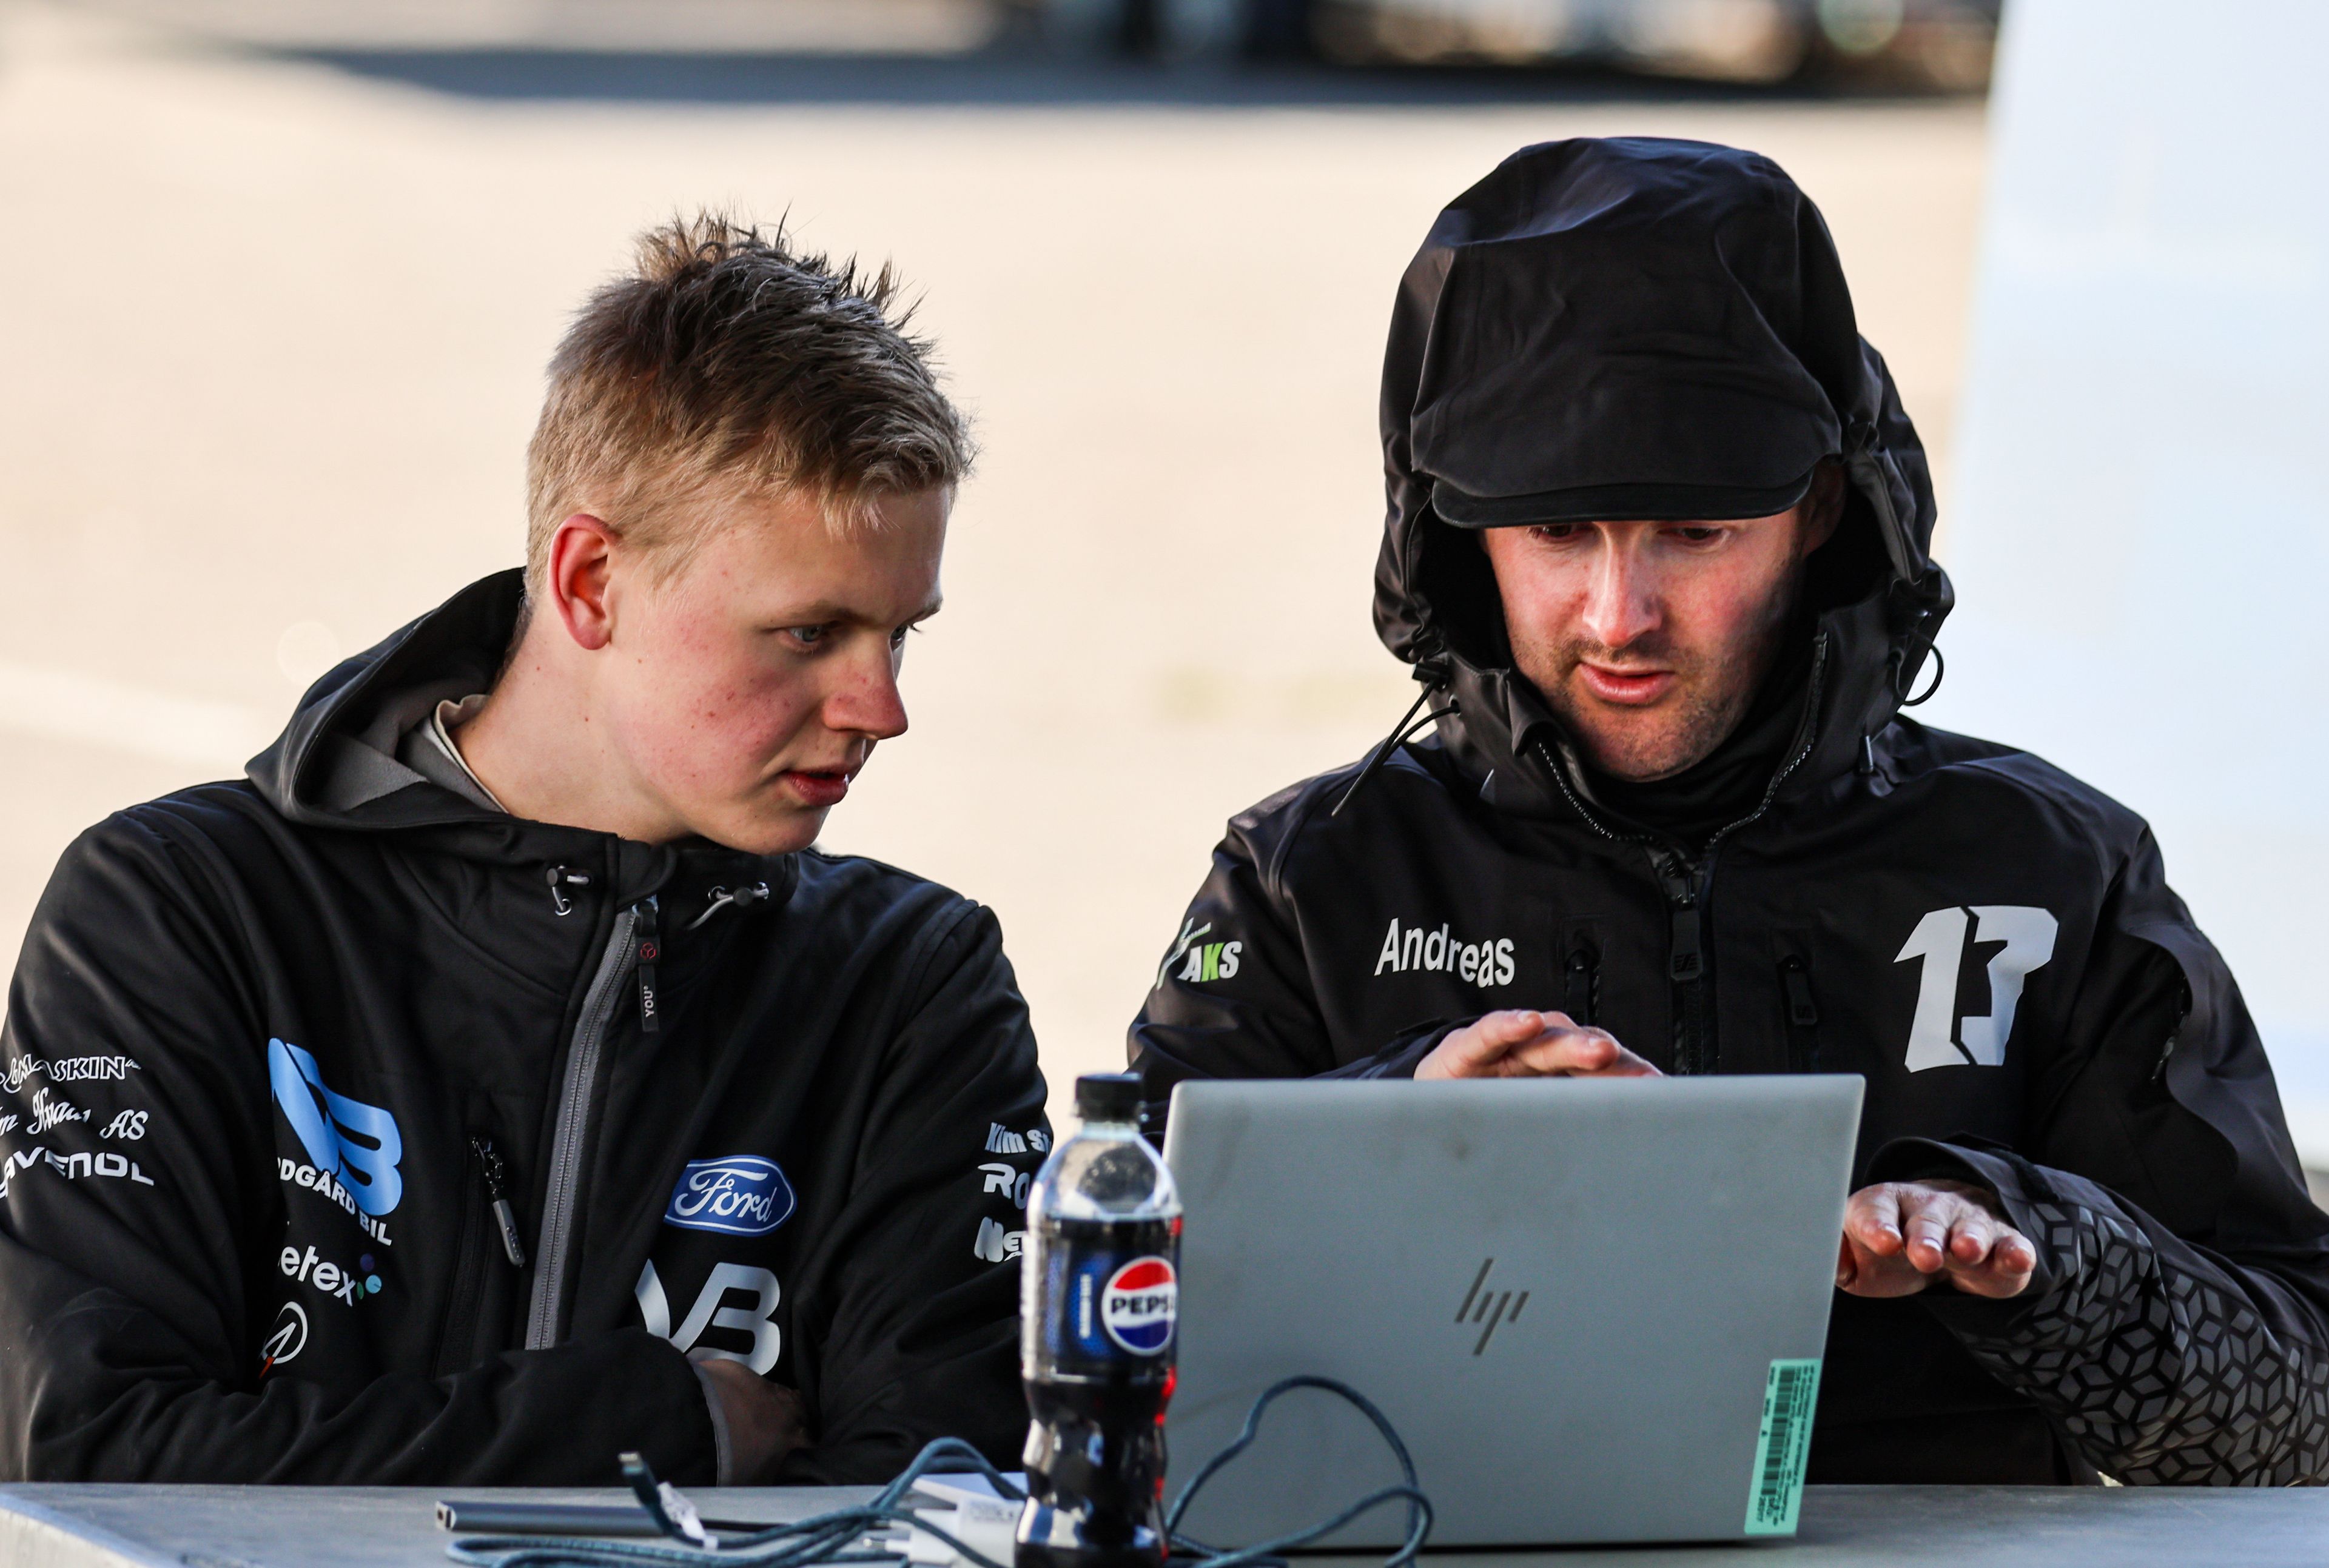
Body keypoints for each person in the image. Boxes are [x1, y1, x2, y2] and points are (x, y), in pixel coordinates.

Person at [1131, 138, 2329, 1486]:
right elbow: (1093, 1353)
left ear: (1821, 508)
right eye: (1556, 535)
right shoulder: (1313, 881)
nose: (1618, 616)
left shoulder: (2053, 871)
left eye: (1692, 535)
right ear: (1456, 528)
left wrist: (2031, 1254)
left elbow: (2304, 1417)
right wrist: (1389, 1140)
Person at [0, 215, 1049, 1486]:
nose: (879, 707)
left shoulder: (914, 984)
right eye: (808, 632)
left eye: (901, 635)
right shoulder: (178, 913)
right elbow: (91, 1456)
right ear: (591, 580)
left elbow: (933, 1508)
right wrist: (656, 1425)